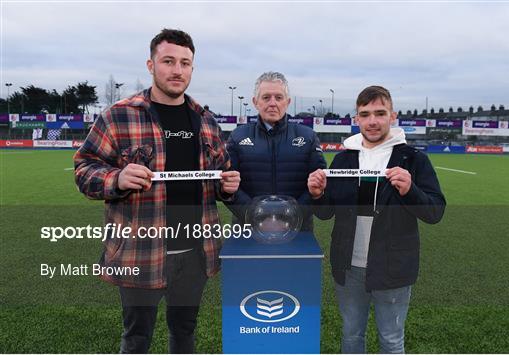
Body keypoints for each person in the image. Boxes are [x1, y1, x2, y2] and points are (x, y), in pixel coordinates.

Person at [74, 29, 240, 353]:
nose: (177, 70)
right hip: (141, 252)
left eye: (185, 63)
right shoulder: (118, 116)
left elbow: (222, 173)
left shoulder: (206, 121)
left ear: (192, 68)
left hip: (195, 255)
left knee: (184, 333)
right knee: (136, 338)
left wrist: (227, 185)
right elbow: (84, 168)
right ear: (151, 65)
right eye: (168, 61)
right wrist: (117, 179)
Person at [308, 86, 445, 353]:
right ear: (356, 118)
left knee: (392, 341)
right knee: (351, 336)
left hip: (393, 268)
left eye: (380, 113)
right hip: (348, 267)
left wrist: (410, 190)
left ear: (392, 116)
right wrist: (316, 195)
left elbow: (435, 212)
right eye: (365, 114)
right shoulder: (343, 159)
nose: (372, 121)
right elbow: (326, 213)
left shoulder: (414, 160)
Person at [225, 71, 326, 231]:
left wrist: (293, 216)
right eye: (266, 97)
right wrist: (254, 215)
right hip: (247, 229)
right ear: (255, 101)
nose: (272, 103)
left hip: (298, 230)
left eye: (278, 97)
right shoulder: (238, 136)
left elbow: (319, 186)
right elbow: (228, 187)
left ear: (287, 101)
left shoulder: (308, 136)